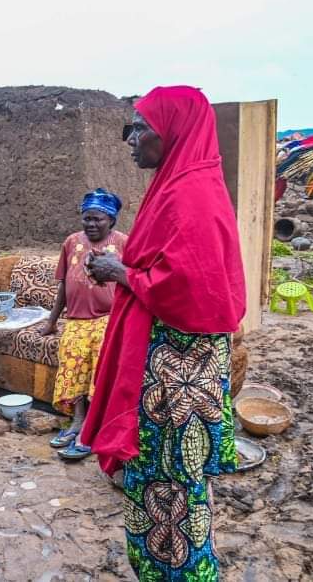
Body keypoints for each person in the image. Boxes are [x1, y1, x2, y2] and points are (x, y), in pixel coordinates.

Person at [83, 86, 245, 582]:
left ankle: (180, 574)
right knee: (164, 487)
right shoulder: (177, 183)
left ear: (171, 130)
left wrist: (120, 273)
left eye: (140, 127)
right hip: (168, 368)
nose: (131, 138)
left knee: (170, 487)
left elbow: (194, 288)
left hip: (173, 378)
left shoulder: (189, 194)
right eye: (129, 128)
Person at [41, 189, 128, 461]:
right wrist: (52, 321)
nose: (91, 224)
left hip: (109, 319)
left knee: (99, 367)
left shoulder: (124, 243)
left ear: (111, 220)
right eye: (87, 218)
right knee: (73, 364)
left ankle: (92, 431)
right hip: (77, 319)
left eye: (98, 219)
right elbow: (64, 286)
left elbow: (133, 280)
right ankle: (78, 422)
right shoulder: (71, 243)